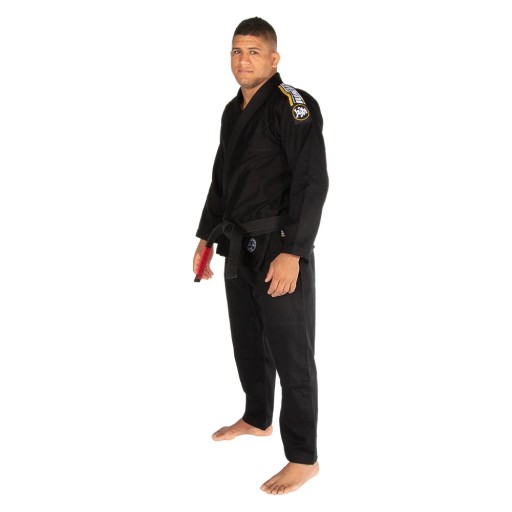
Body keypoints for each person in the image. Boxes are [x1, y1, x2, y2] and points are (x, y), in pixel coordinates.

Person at [192, 16, 328, 495]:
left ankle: (303, 458)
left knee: (292, 354)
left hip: (279, 245)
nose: (242, 60)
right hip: (238, 245)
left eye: (252, 51)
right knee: (248, 339)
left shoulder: (293, 105)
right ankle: (257, 417)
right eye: (236, 51)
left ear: (273, 59)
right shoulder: (233, 110)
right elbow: (221, 178)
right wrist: (206, 237)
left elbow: (312, 182)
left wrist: (294, 252)